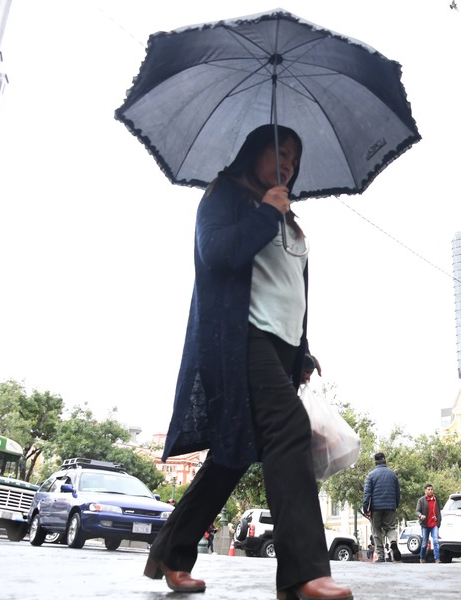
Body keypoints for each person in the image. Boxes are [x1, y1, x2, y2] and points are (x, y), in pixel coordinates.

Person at [143, 124, 351, 600]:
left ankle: (170, 551)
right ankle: (302, 576)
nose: (288, 165)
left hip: (279, 347)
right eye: (280, 152)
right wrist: (264, 214)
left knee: (233, 456)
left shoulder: (288, 216)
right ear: (254, 151)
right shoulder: (225, 197)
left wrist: (302, 351)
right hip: (241, 341)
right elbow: (216, 255)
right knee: (290, 431)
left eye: (295, 159)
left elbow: (289, 290)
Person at [363, 452, 401, 563]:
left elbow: (367, 494)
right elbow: (397, 492)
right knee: (390, 528)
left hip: (376, 508)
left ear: (375, 462)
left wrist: (366, 509)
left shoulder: (371, 475)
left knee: (376, 530)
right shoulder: (393, 474)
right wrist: (395, 504)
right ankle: (392, 541)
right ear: (385, 461)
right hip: (390, 506)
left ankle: (380, 556)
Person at [415, 484, 442, 563]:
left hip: (434, 524)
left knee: (436, 542)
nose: (430, 491)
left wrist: (439, 522)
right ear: (425, 491)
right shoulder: (421, 500)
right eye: (428, 489)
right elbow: (417, 511)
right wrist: (420, 515)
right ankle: (422, 558)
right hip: (425, 525)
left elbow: (438, 511)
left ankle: (437, 558)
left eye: (431, 489)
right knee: (424, 543)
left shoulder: (436, 500)